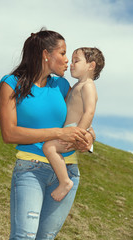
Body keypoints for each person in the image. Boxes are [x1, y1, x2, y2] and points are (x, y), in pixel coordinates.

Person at [0, 29, 95, 240]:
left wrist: (89, 137)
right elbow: (9, 133)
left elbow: (76, 120)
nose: (67, 60)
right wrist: (59, 132)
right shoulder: (11, 83)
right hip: (31, 170)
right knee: (24, 236)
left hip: (68, 172)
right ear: (45, 54)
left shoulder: (61, 86)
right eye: (62, 53)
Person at [43, 47, 105, 202]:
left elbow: (89, 112)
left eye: (76, 61)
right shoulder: (77, 86)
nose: (71, 64)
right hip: (70, 129)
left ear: (91, 66)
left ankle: (65, 182)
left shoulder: (88, 86)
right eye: (71, 61)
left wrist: (77, 135)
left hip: (75, 129)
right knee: (50, 147)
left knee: (49, 147)